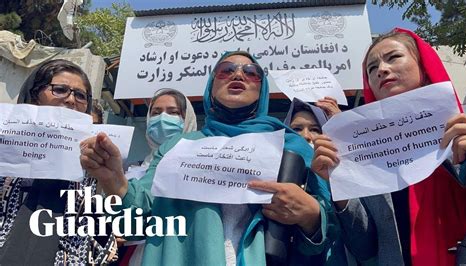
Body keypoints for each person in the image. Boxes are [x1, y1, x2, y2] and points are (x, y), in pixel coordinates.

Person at [80, 51, 339, 265]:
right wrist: (114, 180)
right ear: (211, 85)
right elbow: (137, 222)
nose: (238, 74)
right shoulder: (177, 147)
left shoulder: (291, 146)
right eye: (226, 70)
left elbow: (330, 235)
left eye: (251, 72)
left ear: (262, 89)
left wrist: (311, 216)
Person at [312, 28, 466, 265]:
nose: (381, 70)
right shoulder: (363, 152)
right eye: (371, 68)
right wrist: (339, 189)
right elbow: (364, 247)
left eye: (393, 57)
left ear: (423, 64)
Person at [0, 59, 117, 264]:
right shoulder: (6, 145)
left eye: (80, 95)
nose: (71, 100)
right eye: (60, 89)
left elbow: (98, 233)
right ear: (35, 95)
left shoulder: (92, 163)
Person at [120, 88, 197, 265]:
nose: (162, 119)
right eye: (156, 112)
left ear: (187, 119)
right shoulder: (133, 168)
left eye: (173, 112)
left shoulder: (198, 164)